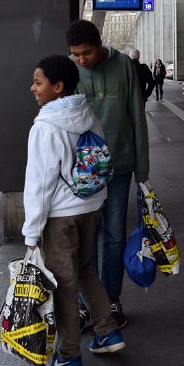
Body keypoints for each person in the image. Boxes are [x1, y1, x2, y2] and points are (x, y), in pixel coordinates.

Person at [22, 54, 125, 366]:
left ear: (58, 86)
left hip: (62, 216)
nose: (33, 88)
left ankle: (68, 355)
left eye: (38, 83)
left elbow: (39, 183)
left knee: (64, 283)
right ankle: (107, 332)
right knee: (85, 270)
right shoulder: (87, 114)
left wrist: (31, 232)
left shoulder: (45, 127)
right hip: (91, 206)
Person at [66, 20, 149, 329]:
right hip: (85, 171)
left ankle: (112, 298)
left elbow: (136, 116)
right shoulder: (72, 71)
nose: (82, 60)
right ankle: (88, 302)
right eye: (76, 55)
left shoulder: (125, 66)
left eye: (86, 52)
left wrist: (143, 168)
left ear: (99, 44)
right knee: (86, 237)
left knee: (114, 234)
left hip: (120, 165)